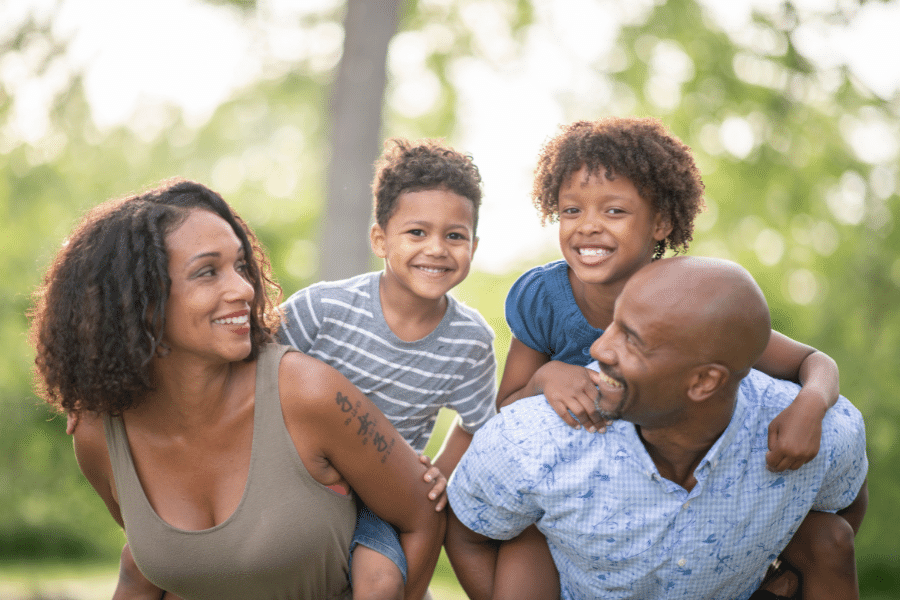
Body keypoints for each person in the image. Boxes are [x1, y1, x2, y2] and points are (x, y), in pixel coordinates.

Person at [30, 180, 444, 600]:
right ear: (138, 301)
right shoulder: (99, 435)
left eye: (242, 266)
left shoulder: (306, 392)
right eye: (208, 272)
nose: (244, 289)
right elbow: (177, 566)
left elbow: (422, 518)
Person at [493, 117, 847, 598]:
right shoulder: (544, 297)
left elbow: (815, 361)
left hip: (671, 481)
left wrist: (810, 404)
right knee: (523, 538)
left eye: (614, 210)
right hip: (583, 489)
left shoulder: (690, 306)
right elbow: (507, 409)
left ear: (660, 222)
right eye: (570, 210)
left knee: (830, 531)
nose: (588, 225)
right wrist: (547, 377)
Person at [445, 255, 868, 600]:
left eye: (631, 340)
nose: (596, 348)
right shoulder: (535, 440)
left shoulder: (817, 433)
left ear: (703, 382)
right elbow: (468, 533)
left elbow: (843, 508)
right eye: (612, 324)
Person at [277, 137, 496, 600]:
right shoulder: (322, 309)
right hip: (298, 480)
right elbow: (254, 383)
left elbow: (477, 423)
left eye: (454, 236)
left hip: (382, 496)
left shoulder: (470, 340)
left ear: (473, 246)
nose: (437, 249)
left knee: (381, 583)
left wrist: (438, 473)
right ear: (380, 238)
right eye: (417, 233)